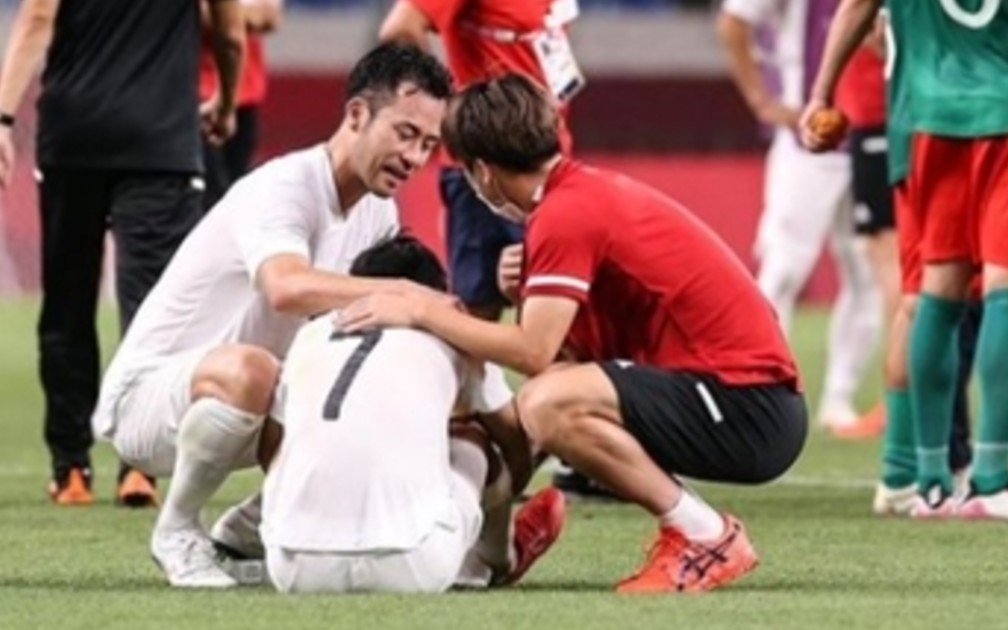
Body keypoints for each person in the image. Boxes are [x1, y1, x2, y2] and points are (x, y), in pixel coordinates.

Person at [337, 74, 808, 593]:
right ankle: (492, 553)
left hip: (748, 406)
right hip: (737, 398)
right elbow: (572, 355)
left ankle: (705, 535)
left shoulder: (565, 213)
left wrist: (423, 310)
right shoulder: (575, 197)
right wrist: (523, 290)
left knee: (545, 404)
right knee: (524, 413)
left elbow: (533, 353)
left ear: (483, 172)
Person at [90, 42, 455, 587]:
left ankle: (252, 526)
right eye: (405, 133)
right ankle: (177, 531)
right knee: (253, 369)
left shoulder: (378, 213)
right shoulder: (284, 187)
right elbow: (285, 288)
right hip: (151, 399)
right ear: (357, 114)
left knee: (365, 383)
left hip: (255, 401)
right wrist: (408, 292)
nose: (415, 157)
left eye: (428, 143)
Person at [0, 0, 245, 506]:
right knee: (157, 312)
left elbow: (36, 19)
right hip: (160, 144)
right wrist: (226, 102)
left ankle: (70, 469)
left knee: (67, 306)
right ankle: (140, 466)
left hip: (73, 139)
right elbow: (230, 33)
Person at [379, 0, 605, 501]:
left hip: (544, 163)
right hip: (492, 170)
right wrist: (459, 110)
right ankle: (445, 447)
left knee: (560, 312)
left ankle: (575, 447)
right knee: (478, 310)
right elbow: (401, 27)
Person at [260, 233, 565, 594]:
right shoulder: (455, 336)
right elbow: (514, 441)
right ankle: (496, 560)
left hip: (292, 568)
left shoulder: (310, 335)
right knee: (472, 438)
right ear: (436, 292)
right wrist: (505, 490)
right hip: (411, 565)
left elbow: (270, 448)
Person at [801, 0, 1008, 518]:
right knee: (1000, 289)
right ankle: (992, 478)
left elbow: (857, 10)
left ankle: (927, 479)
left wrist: (821, 93)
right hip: (1000, 109)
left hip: (923, 119)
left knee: (934, 292)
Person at [717, 0, 882, 435]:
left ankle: (839, 399)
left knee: (867, 273)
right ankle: (761, 391)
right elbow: (734, 20)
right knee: (783, 268)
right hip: (805, 141)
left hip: (871, 130)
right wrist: (762, 100)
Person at [199, 0, 282, 208]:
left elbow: (270, 16)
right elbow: (197, 17)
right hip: (197, 94)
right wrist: (246, 14)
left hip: (245, 94)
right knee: (208, 197)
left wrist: (224, 15)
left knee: (235, 196)